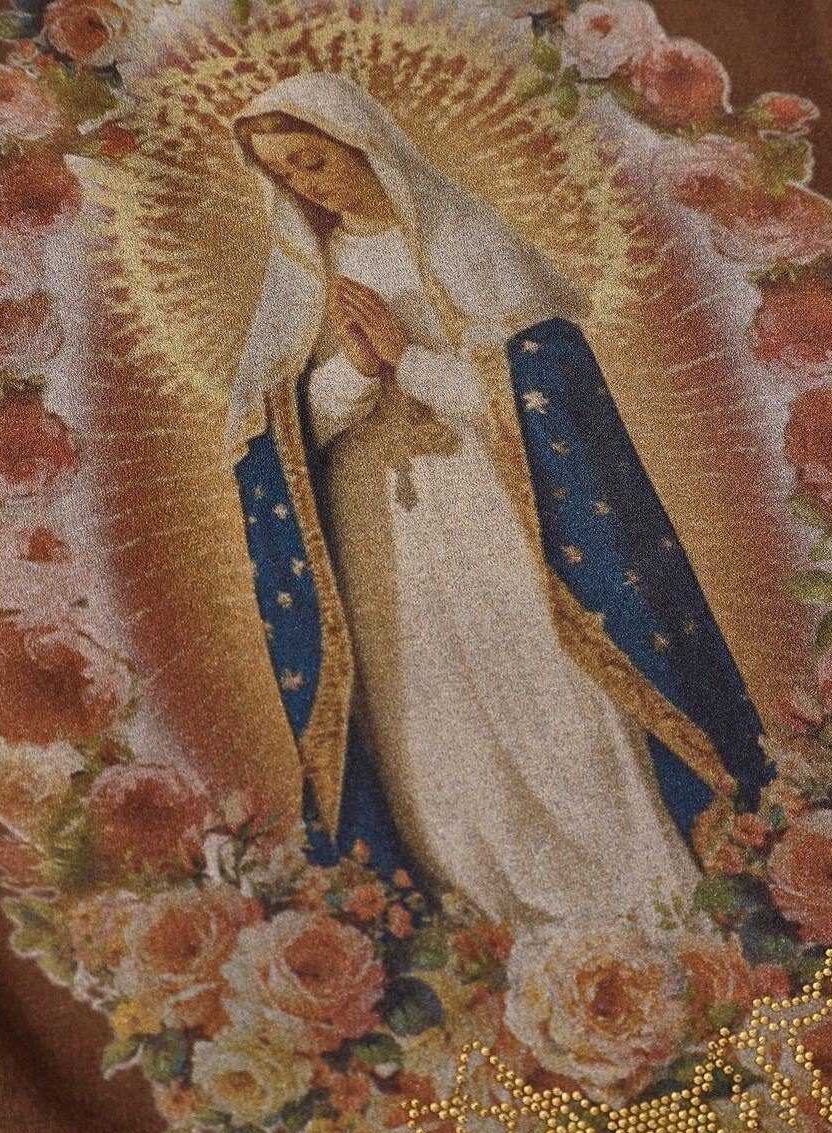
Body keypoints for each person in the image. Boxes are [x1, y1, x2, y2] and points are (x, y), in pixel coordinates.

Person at [227, 73, 769, 931]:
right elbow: (281, 444)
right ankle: (493, 922)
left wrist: (409, 362)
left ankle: (643, 905)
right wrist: (354, 375)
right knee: (435, 734)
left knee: (558, 704)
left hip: (497, 514)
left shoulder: (466, 244)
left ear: (360, 142)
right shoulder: (300, 287)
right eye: (283, 173)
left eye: (312, 160)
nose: (305, 185)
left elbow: (545, 398)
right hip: (385, 541)